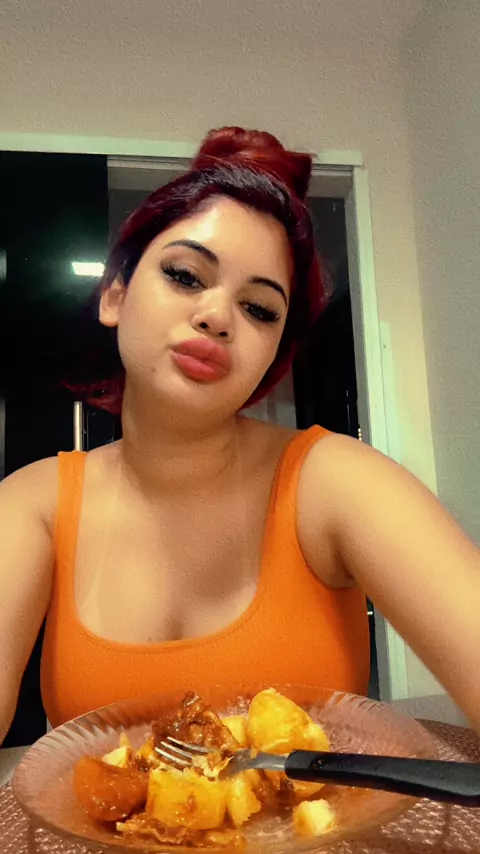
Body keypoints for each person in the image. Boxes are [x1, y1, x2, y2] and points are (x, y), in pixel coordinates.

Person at [1, 126, 479, 745]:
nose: (217, 317)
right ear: (115, 294)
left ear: (273, 354)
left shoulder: (336, 481)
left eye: (260, 309)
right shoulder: (32, 505)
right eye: (185, 275)